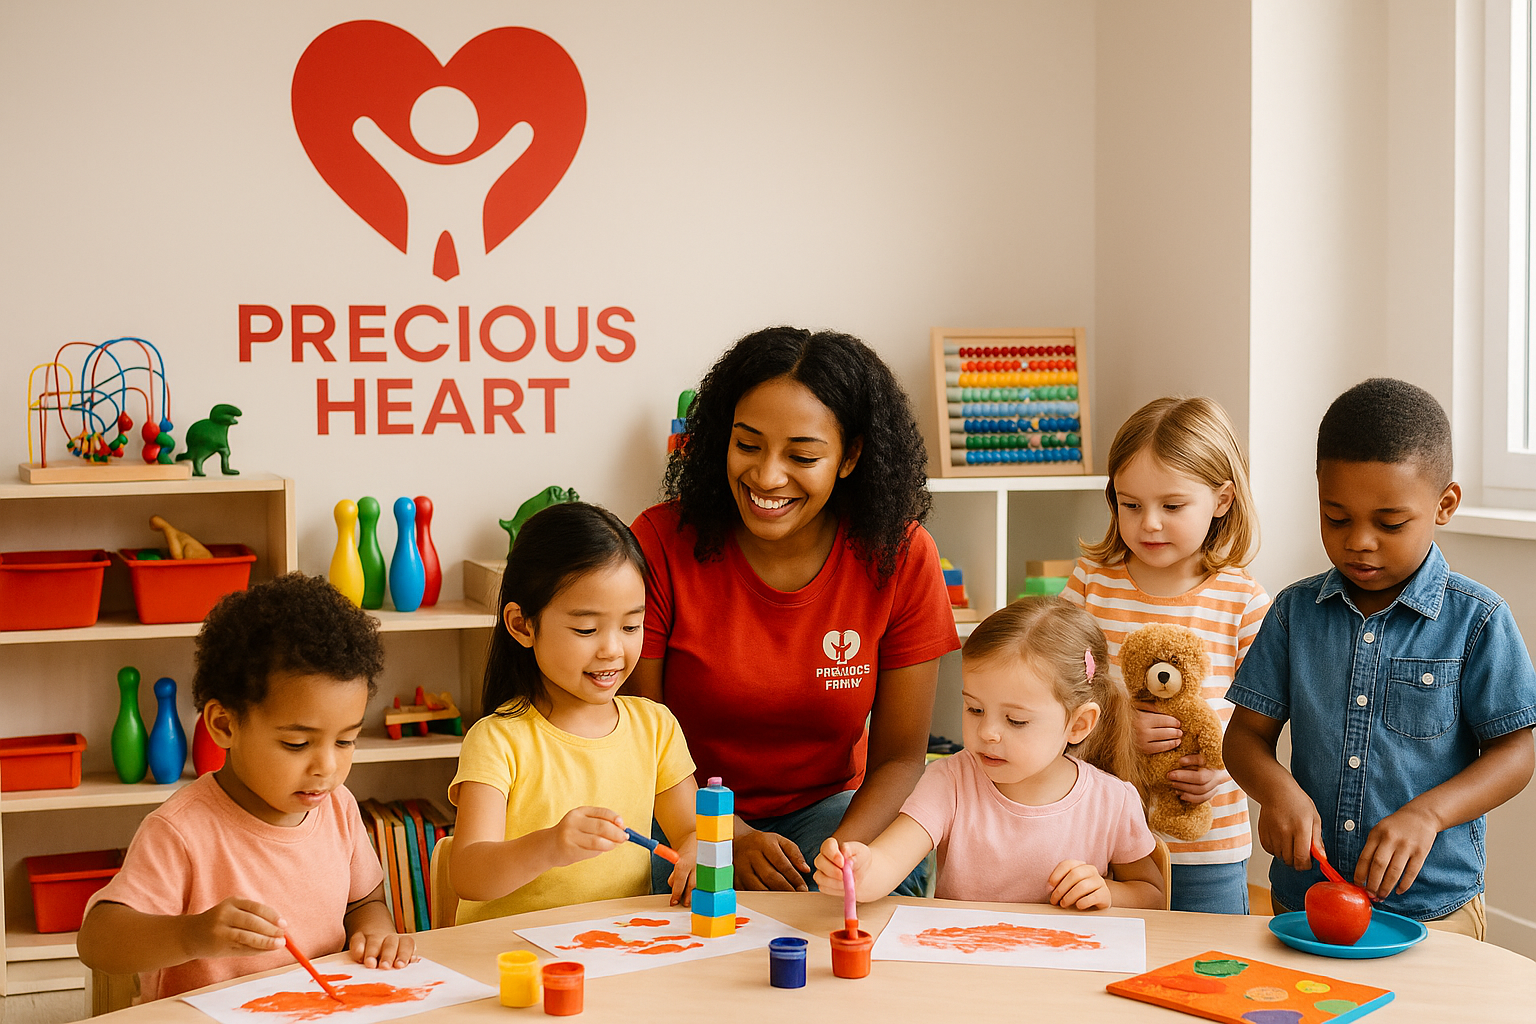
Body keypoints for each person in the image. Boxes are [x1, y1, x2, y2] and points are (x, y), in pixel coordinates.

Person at [628, 325, 960, 893]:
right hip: (683, 816)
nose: (766, 477)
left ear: (851, 456)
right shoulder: (659, 543)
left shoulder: (900, 556)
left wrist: (842, 856)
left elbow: (902, 759)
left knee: (864, 912)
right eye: (747, 445)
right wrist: (727, 836)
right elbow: (636, 740)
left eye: (802, 455)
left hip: (833, 816)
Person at [1225, 378, 1536, 939]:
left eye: (1390, 523)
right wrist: (1277, 791)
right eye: (1336, 518)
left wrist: (1429, 814)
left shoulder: (1479, 620)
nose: (1359, 541)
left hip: (1434, 907)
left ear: (1444, 505)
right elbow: (1245, 737)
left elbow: (1515, 752)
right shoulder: (1294, 613)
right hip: (1306, 899)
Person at [77, 573, 409, 1001]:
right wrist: (192, 935)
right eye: (297, 743)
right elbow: (97, 940)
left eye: (345, 740)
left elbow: (364, 901)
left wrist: (376, 933)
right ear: (224, 724)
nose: (326, 767)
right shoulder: (182, 831)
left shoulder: (338, 808)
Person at [813, 599, 1164, 910]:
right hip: (966, 971)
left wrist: (1107, 892)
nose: (987, 733)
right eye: (975, 710)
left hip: (1063, 976)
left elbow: (1153, 894)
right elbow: (888, 862)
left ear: (1079, 724)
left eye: (1016, 720)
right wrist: (859, 870)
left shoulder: (1113, 801)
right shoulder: (949, 782)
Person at [1063, 396, 1268, 914]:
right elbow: (1057, 683)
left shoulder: (1243, 600)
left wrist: (1222, 767)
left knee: (1210, 973)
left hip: (1207, 845)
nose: (1148, 523)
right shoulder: (1091, 583)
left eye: (1171, 506)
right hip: (1099, 841)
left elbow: (1260, 719)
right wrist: (1114, 723)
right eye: (1130, 505)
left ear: (1222, 500)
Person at [449, 502, 699, 922]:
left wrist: (698, 849)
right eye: (586, 629)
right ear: (522, 626)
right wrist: (549, 846)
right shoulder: (497, 739)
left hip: (614, 948)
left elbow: (694, 830)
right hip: (511, 961)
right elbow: (468, 874)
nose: (613, 650)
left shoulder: (656, 729)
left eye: (631, 626)